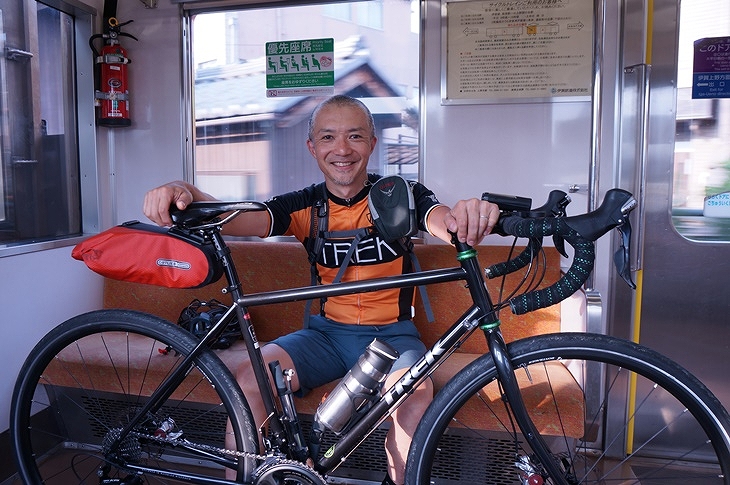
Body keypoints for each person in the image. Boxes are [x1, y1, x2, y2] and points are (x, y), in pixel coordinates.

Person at [143, 95, 499, 484]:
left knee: (414, 394)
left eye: (355, 136)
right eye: (328, 137)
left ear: (372, 144)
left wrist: (466, 217)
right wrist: (184, 190)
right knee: (250, 378)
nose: (342, 149)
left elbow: (442, 221)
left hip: (394, 337)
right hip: (325, 337)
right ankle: (245, 477)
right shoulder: (306, 205)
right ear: (312, 147)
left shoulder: (401, 194)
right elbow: (235, 218)